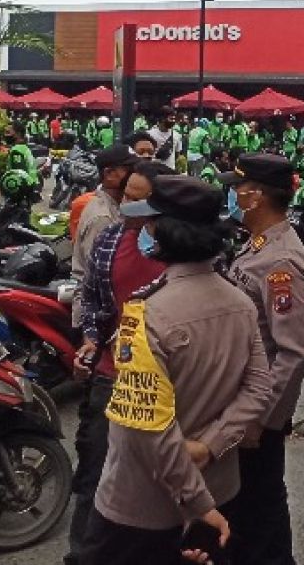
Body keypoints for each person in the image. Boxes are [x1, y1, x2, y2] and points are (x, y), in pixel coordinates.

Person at [75, 176, 272, 564]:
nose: (142, 232)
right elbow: (259, 388)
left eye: (149, 224)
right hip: (217, 491)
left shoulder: (147, 316)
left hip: (144, 504)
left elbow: (146, 426)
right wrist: (212, 445)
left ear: (166, 233)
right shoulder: (240, 302)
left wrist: (194, 500)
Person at [65, 160, 175, 565]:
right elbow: (94, 300)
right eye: (126, 196)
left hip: (162, 382)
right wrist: (91, 339)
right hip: (111, 376)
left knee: (156, 479)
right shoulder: (110, 238)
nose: (127, 206)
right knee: (95, 471)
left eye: (139, 201)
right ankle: (82, 555)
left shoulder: (183, 251)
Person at [220, 154, 304, 565]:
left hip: (255, 410)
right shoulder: (258, 244)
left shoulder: (280, 262)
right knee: (255, 507)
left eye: (236, 188)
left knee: (257, 509)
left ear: (254, 196)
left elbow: (293, 350)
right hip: (243, 400)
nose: (232, 194)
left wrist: (262, 417)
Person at [70, 145, 141, 323]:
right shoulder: (103, 217)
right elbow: (103, 278)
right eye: (130, 169)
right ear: (109, 174)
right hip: (97, 315)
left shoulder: (116, 206)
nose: (136, 174)